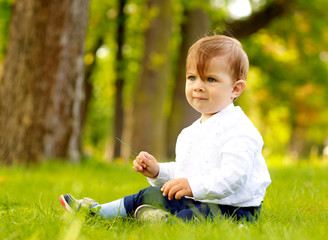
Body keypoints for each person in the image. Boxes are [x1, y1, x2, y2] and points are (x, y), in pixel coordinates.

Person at [59, 35, 271, 222]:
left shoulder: (240, 130)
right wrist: (158, 171)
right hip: (197, 198)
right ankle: (97, 211)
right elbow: (184, 172)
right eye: (192, 78)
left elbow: (233, 177)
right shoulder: (190, 132)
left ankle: (163, 223)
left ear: (235, 88)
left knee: (191, 217)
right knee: (150, 194)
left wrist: (193, 186)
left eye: (210, 79)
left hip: (234, 209)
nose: (198, 85)